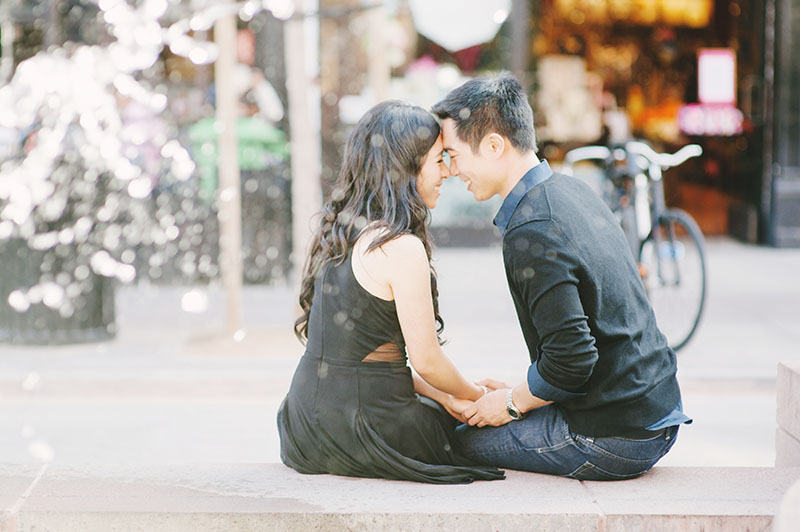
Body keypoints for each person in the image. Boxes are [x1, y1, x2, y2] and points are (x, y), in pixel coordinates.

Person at [431, 73, 691, 481]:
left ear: (494, 145)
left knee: (452, 439)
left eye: (453, 154)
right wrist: (526, 393)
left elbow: (573, 360)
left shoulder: (531, 228)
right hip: (655, 413)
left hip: (613, 438)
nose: (450, 170)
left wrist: (513, 403)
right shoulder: (571, 190)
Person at [277, 100, 504, 484]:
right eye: (438, 160)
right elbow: (427, 361)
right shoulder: (399, 245)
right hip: (368, 428)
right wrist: (481, 398)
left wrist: (447, 397)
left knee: (449, 412)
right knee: (498, 436)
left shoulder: (342, 234)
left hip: (303, 426)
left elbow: (364, 358)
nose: (447, 172)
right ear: (405, 169)